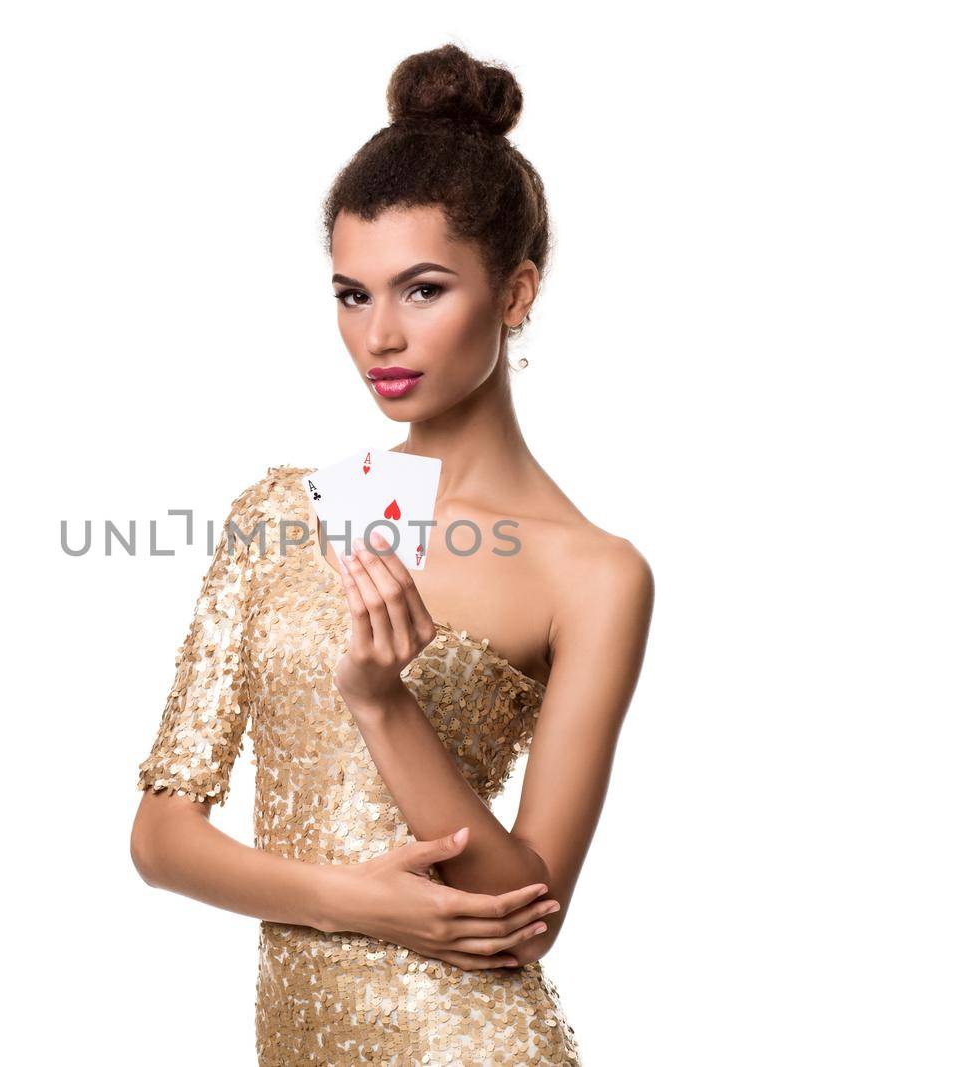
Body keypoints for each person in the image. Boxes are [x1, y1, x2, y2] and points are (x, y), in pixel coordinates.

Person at [129, 42, 654, 1065]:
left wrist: (383, 699)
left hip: (472, 1041)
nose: (379, 336)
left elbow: (523, 911)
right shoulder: (284, 511)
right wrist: (352, 900)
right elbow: (159, 835)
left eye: (421, 290)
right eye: (351, 293)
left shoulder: (591, 570)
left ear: (514, 292)